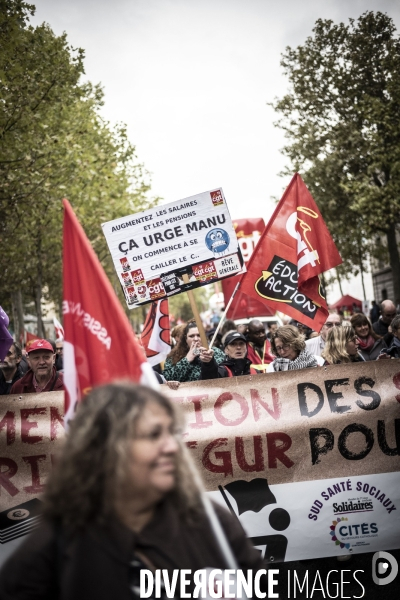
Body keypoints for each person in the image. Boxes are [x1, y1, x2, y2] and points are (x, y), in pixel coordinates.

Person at [0, 383, 267, 600]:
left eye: (171, 433)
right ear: (107, 449)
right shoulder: (57, 543)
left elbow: (259, 585)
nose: (172, 447)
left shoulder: (207, 519)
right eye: (152, 435)